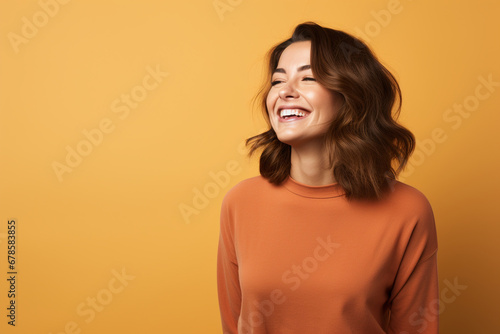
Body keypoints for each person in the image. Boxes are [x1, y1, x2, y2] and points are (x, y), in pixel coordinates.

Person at [217, 21, 439, 334]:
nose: (286, 92)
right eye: (278, 81)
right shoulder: (241, 202)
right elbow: (233, 324)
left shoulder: (407, 210)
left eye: (308, 78)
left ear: (350, 96)